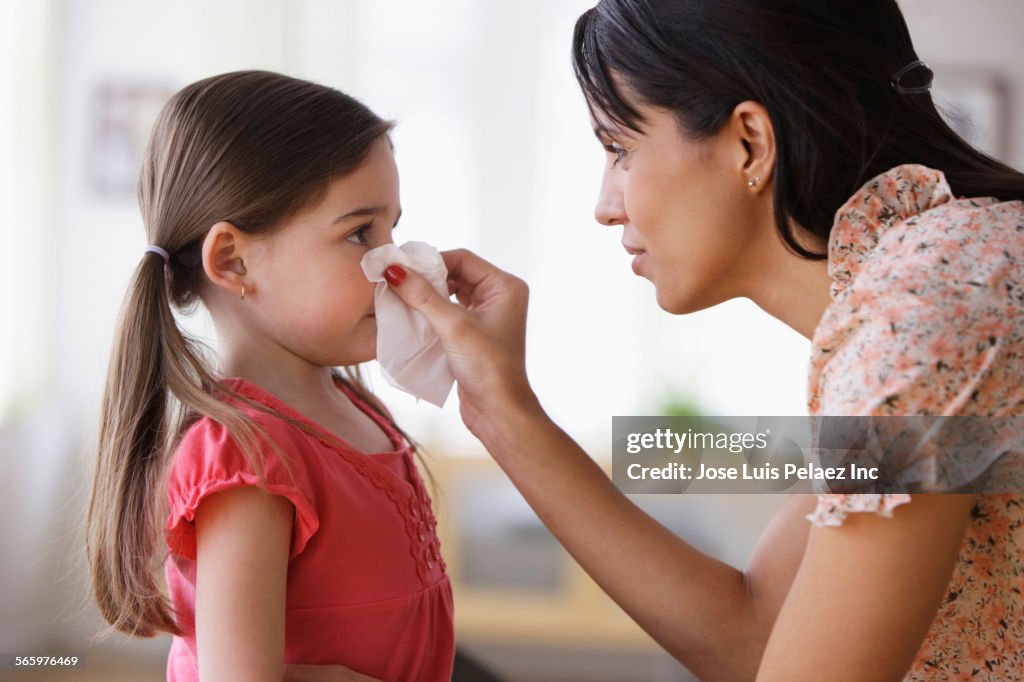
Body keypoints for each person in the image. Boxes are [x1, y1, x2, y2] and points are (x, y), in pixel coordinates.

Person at [380, 1, 1024, 680]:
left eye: (619, 149)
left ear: (749, 141)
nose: (605, 205)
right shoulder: (945, 270)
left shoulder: (921, 312)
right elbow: (757, 632)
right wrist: (498, 408)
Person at [85, 71, 453, 682]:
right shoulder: (247, 457)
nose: (396, 265)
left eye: (392, 228)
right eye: (360, 232)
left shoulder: (353, 407)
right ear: (233, 260)